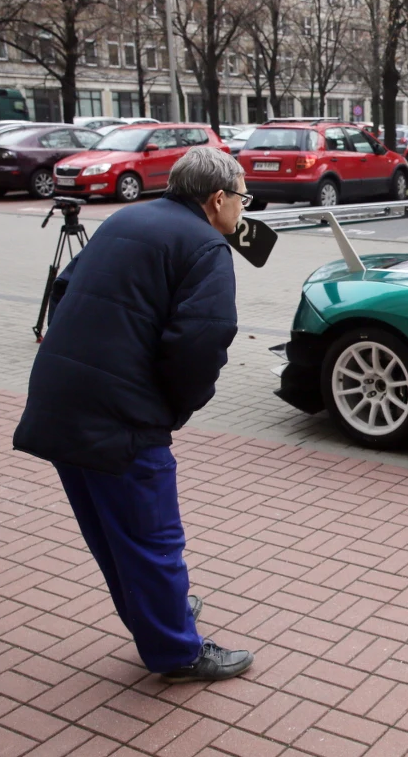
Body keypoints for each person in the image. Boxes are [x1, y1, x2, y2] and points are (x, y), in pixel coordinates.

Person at [13, 147, 254, 683]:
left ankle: (160, 616)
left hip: (59, 399)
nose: (244, 207)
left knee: (112, 536)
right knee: (152, 540)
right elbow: (202, 341)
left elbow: (63, 290)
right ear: (217, 199)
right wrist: (173, 406)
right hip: (120, 417)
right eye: (243, 197)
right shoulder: (206, 246)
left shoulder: (127, 218)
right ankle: (177, 653)